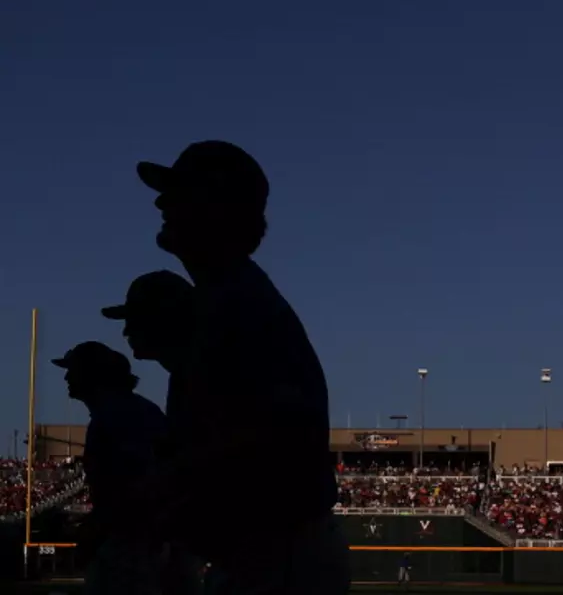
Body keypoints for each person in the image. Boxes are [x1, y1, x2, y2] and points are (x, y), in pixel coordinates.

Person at [135, 140, 349, 594]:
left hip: (279, 551)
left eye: (178, 192)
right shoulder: (226, 297)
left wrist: (181, 474)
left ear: (218, 209)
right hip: (266, 550)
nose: (160, 202)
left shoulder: (240, 304)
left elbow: (282, 430)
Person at [101, 270, 203, 595]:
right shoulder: (186, 372)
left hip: (271, 543)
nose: (127, 331)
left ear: (165, 320)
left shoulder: (207, 370)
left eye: (136, 319)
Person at [53, 341, 168, 595]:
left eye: (73, 370)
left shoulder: (116, 415)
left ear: (93, 375)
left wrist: (98, 528)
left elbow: (137, 484)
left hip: (135, 542)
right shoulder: (132, 409)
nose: (66, 377)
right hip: (145, 539)